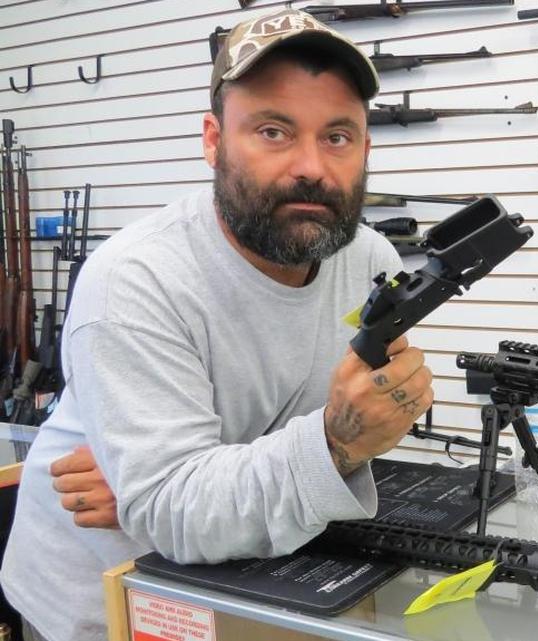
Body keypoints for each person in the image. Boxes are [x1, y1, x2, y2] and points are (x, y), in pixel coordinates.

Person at [0, 10, 435, 641]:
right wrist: (334, 446)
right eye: (273, 130)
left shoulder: (370, 259)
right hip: (109, 603)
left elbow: (182, 498)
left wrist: (160, 484)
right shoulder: (135, 279)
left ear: (366, 147)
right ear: (213, 140)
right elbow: (176, 516)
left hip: (257, 575)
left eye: (337, 136)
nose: (311, 166)